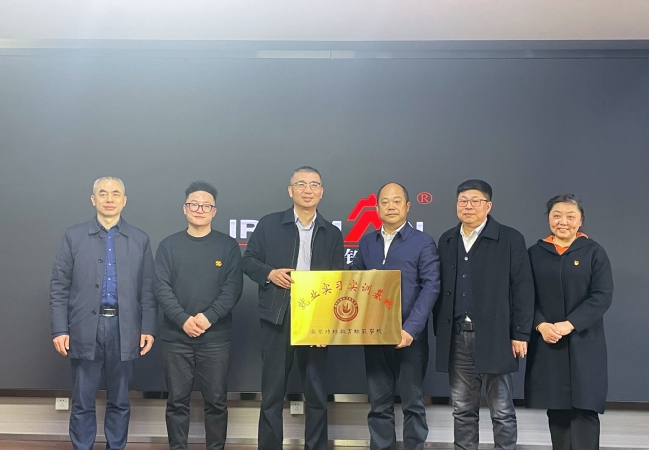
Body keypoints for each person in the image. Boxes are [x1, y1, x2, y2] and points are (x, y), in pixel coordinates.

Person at [241, 166, 344, 450]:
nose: (307, 189)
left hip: (316, 320)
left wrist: (328, 326)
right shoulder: (269, 224)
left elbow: (339, 281)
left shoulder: (332, 233)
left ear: (321, 192)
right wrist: (269, 273)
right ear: (290, 190)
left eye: (314, 184)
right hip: (278, 316)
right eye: (301, 184)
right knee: (272, 394)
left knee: (317, 394)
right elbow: (247, 261)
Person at [50, 177, 157, 450]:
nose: (109, 199)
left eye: (116, 193)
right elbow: (59, 286)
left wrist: (148, 327)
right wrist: (60, 329)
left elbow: (148, 289)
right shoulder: (73, 236)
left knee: (120, 400)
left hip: (125, 328)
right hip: (84, 327)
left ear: (124, 200)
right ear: (93, 199)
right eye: (103, 193)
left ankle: (116, 446)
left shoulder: (140, 239)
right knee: (82, 400)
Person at [433, 179, 534, 450]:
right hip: (457, 337)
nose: (468, 206)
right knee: (462, 409)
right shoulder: (448, 239)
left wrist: (520, 332)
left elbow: (523, 288)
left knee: (502, 411)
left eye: (475, 201)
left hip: (496, 336)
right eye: (462, 201)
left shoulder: (509, 239)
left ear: (488, 205)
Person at [350, 182, 440, 450]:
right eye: (385, 202)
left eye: (397, 201)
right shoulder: (367, 242)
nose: (391, 206)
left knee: (413, 404)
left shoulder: (423, 242)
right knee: (379, 404)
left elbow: (431, 286)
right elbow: (352, 282)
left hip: (409, 336)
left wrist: (410, 329)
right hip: (374, 335)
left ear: (407, 206)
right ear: (377, 208)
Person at [155, 181, 243, 450]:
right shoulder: (168, 246)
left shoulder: (228, 246)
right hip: (176, 338)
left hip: (215, 338)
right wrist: (183, 319)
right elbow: (161, 288)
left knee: (216, 402)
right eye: (194, 204)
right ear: (185, 208)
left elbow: (232, 288)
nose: (199, 209)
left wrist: (208, 318)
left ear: (214, 211)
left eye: (206, 205)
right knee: (176, 402)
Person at [525, 194, 613, 450]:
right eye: (557, 216)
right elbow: (524, 296)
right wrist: (540, 324)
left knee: (586, 409)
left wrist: (570, 323)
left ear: (580, 220)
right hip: (549, 342)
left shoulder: (594, 251)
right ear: (548, 219)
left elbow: (602, 295)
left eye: (570, 216)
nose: (563, 222)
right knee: (558, 410)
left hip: (585, 342)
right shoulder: (535, 253)